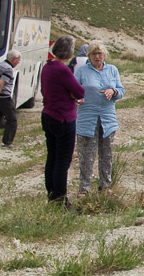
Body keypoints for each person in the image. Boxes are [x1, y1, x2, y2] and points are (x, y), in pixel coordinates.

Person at [74, 41, 124, 197]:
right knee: (86, 155)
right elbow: (74, 90)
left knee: (106, 153)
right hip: (87, 118)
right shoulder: (81, 71)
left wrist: (113, 91)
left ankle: (105, 185)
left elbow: (121, 90)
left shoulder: (112, 70)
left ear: (104, 55)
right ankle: (84, 188)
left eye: (100, 53)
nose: (97, 57)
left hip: (107, 119)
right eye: (94, 54)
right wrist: (77, 98)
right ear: (88, 56)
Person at [41, 36, 85, 210]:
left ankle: (52, 195)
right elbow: (79, 91)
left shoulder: (47, 66)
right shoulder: (62, 70)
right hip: (63, 117)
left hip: (48, 113)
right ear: (69, 51)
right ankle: (60, 199)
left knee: (51, 157)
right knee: (62, 161)